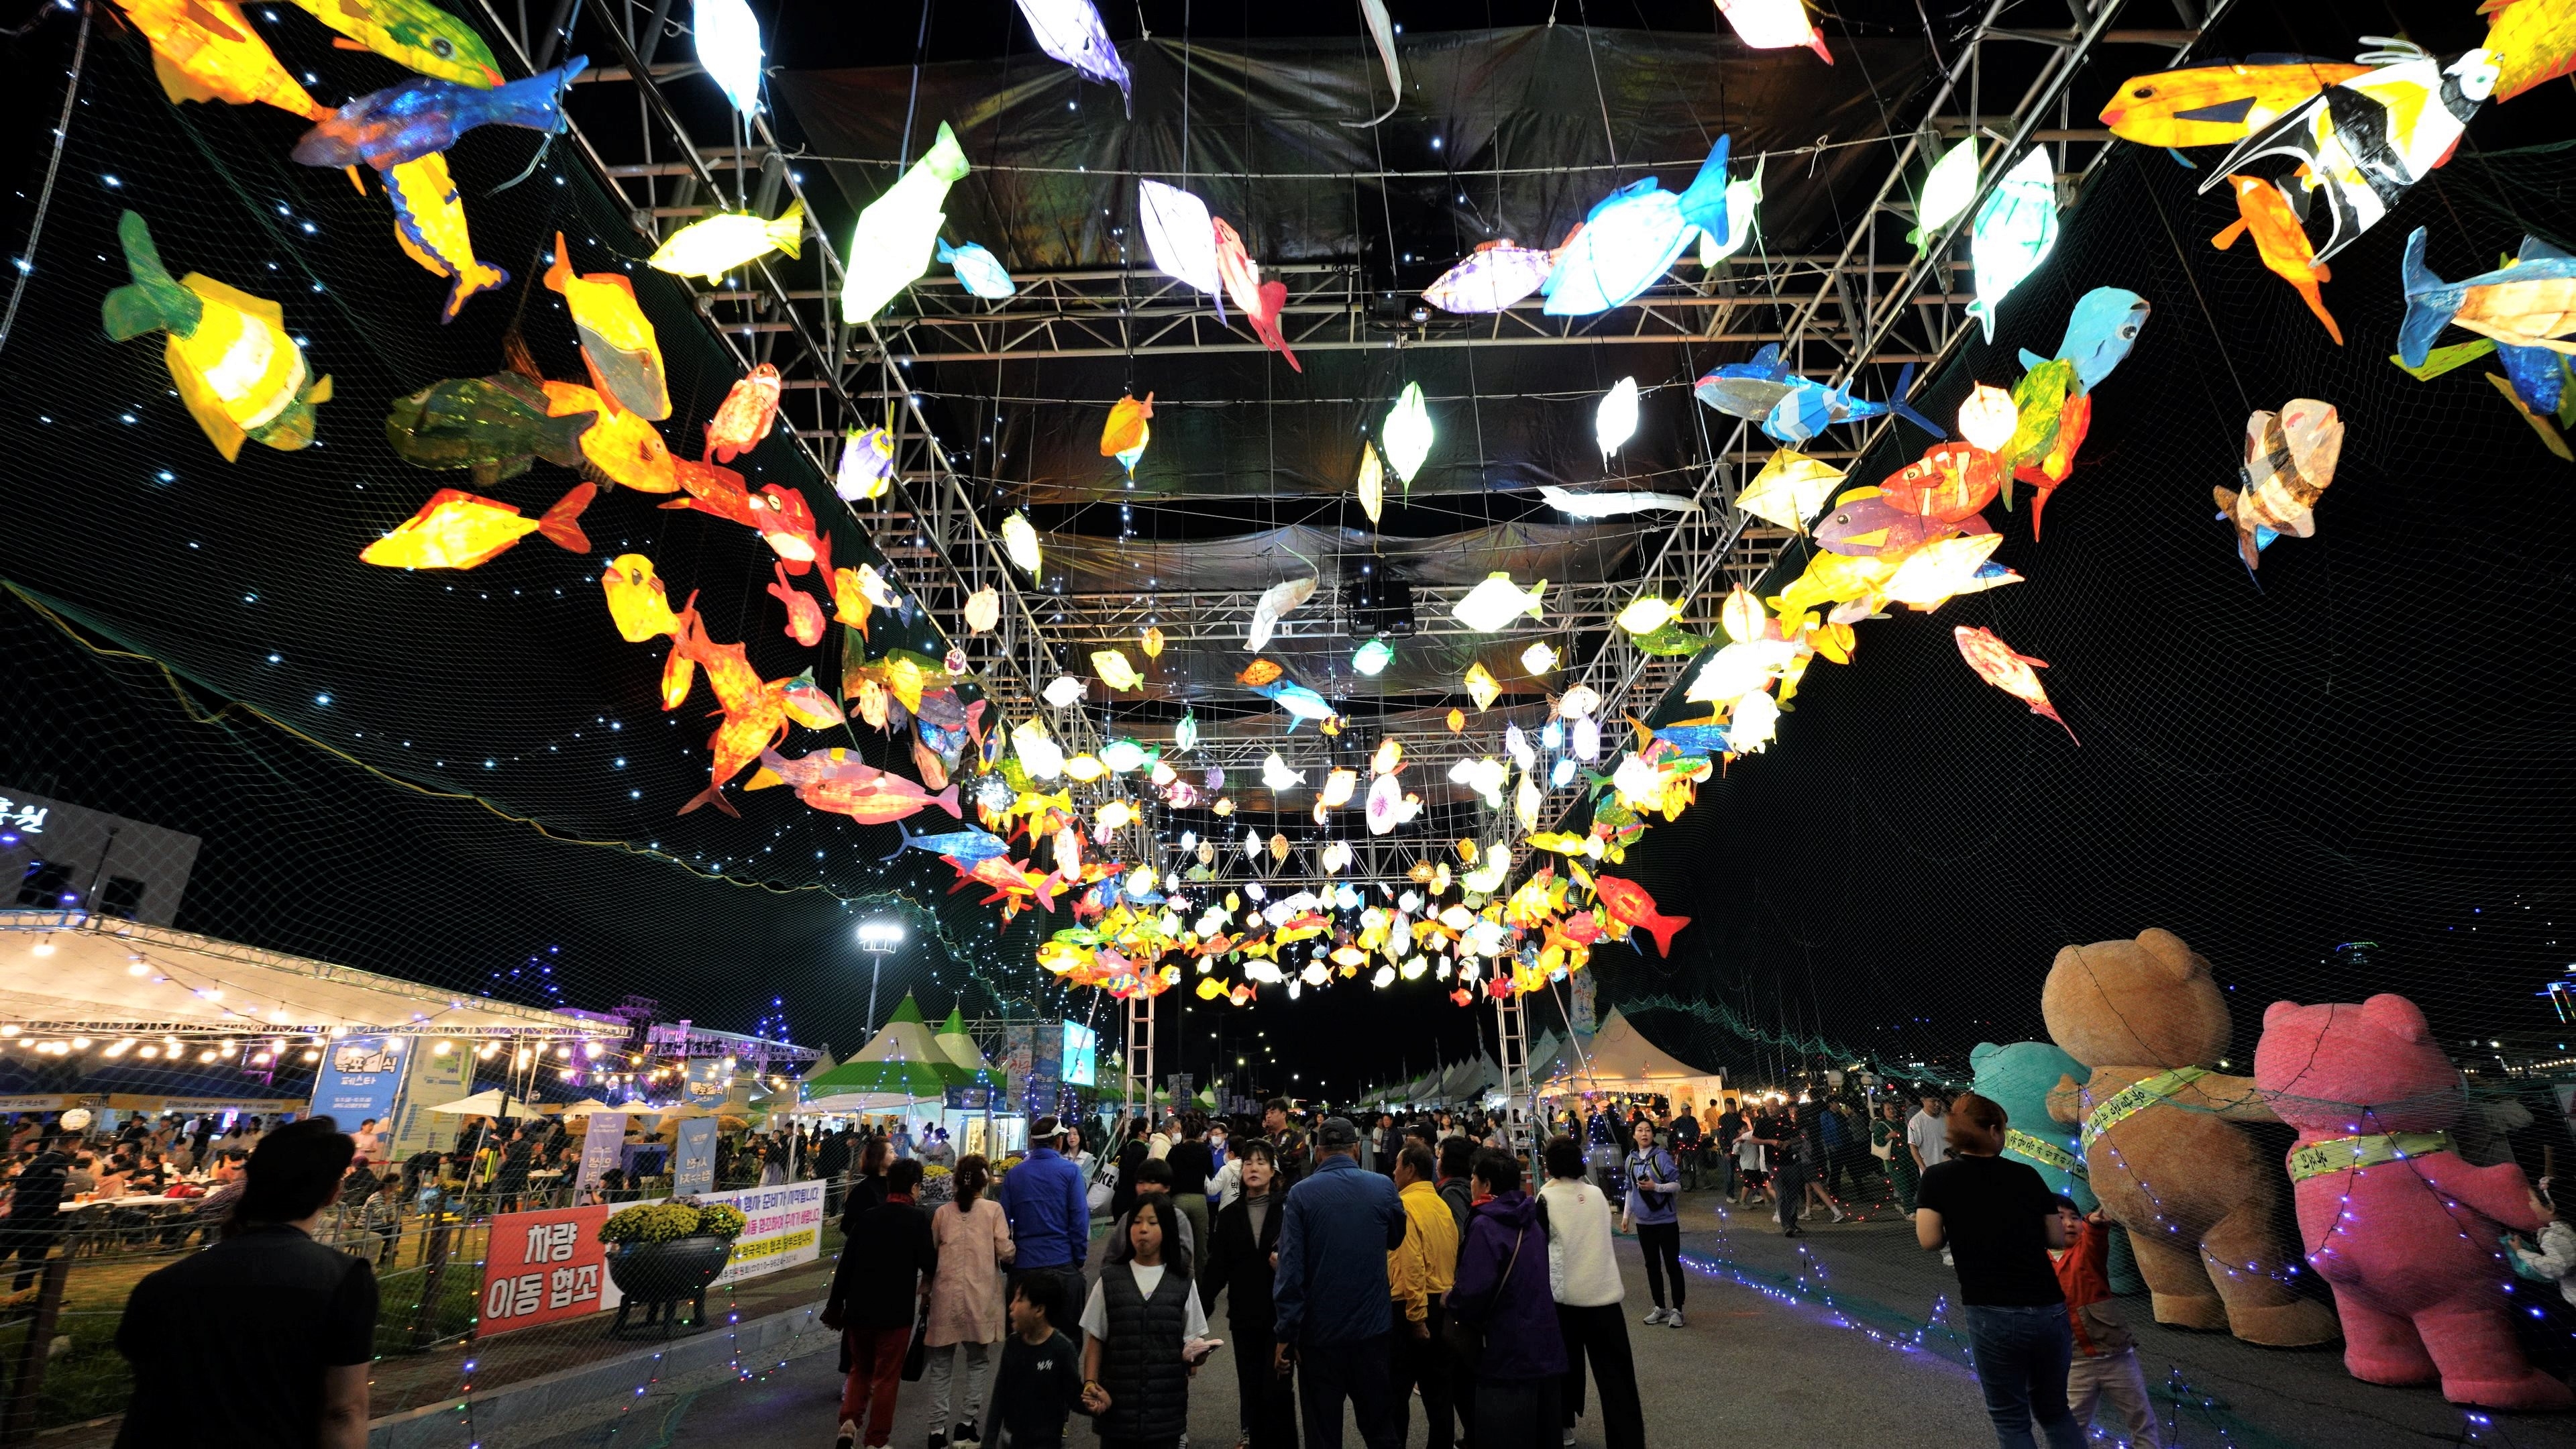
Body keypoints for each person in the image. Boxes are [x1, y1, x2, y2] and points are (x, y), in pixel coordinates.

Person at [111, 1119, 375, 1449]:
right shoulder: (343, 1278)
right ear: (333, 1193)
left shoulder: (163, 1283)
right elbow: (344, 1410)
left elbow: (143, 1371)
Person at [1915, 1091, 2080, 1449]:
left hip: (1990, 1310)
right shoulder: (2026, 1175)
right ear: (1992, 1130)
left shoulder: (1938, 1178)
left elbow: (1929, 1240)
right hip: (2047, 1307)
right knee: (2055, 1411)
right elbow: (2056, 1238)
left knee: (2010, 1418)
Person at [1273, 1116, 1408, 1449]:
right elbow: (1396, 1238)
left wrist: (1286, 1333)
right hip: (1372, 1331)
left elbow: (1290, 1271)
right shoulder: (1382, 1187)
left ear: (1318, 1153)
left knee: (1323, 1434)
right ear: (1356, 1150)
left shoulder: (1300, 1195)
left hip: (1318, 1336)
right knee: (1380, 1429)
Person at [1079, 1197, 1214, 1449]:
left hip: (1166, 1414)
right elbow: (1096, 1340)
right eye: (1137, 1222)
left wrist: (1196, 1358)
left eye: (1152, 1222)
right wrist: (1090, 1384)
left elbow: (1193, 1344)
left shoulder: (1183, 1282)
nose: (1143, 1229)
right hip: (1116, 1410)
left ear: (1167, 1230)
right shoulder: (1110, 1279)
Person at [1448, 1150, 1562, 1449]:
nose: (1471, 1183)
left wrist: (1451, 1300)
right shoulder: (1531, 1219)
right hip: (1542, 1340)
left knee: (1503, 1432)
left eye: (1474, 1177)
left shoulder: (1485, 1224)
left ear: (1486, 1184)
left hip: (1503, 1345)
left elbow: (1474, 1290)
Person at [824, 1159, 938, 1449]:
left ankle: (849, 1422)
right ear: (915, 1187)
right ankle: (876, 1440)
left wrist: (836, 1304)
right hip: (895, 1312)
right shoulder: (917, 1219)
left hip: (859, 1309)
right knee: (886, 1378)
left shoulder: (868, 1218)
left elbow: (846, 1266)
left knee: (860, 1369)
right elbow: (930, 1262)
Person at [1536, 1137, 1641, 1449]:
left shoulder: (1545, 1198)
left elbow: (1540, 1246)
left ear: (1550, 1166)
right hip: (1605, 1296)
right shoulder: (1596, 1195)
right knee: (1618, 1381)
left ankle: (1562, 1426)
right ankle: (1627, 1441)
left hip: (1564, 1299)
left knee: (1561, 1370)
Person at [1201, 1139, 1295, 1449]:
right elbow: (1217, 1268)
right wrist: (1199, 1313)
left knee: (1278, 1387)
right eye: (1248, 1163)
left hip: (1280, 1316)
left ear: (1273, 1171)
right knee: (1250, 1383)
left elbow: (1302, 1261)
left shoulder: (1288, 1211)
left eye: (1261, 1162)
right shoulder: (1230, 1215)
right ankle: (1251, 1435)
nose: (1254, 1168)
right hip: (1244, 1314)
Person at [2050, 1196, 2159, 1448]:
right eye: (2060, 1218)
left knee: (2141, 1417)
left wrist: (2093, 1222)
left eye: (2074, 1217)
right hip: (2074, 1361)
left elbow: (2094, 1239)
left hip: (2115, 1355)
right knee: (2072, 1423)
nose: (2069, 1223)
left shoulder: (2086, 1253)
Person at [924, 1155, 1014, 1449]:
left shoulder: (942, 1213)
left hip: (944, 1297)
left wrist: (925, 1291)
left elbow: (932, 1255)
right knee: (977, 1361)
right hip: (980, 1297)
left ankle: (937, 1431)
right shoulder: (993, 1211)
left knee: (941, 1365)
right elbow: (1006, 1251)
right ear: (984, 1181)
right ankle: (966, 1425)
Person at [1387, 1143, 1460, 1449]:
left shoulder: (1405, 1206)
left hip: (1411, 1307)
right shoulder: (1441, 1205)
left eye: (1397, 1165)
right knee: (1439, 1393)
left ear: (1410, 1169)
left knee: (1396, 1394)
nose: (1393, 1172)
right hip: (1442, 1303)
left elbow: (1411, 1266)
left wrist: (1416, 1319)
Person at [997, 1116, 1091, 1318]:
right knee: (1065, 1333)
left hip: (1023, 1266)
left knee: (1022, 1333)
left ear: (1032, 1143)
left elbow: (1002, 1223)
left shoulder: (1014, 1175)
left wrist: (1009, 1263)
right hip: (1062, 1263)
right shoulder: (1071, 1172)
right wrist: (1078, 1259)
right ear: (1059, 1141)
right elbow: (1079, 1221)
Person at [991, 1273, 1085, 1449]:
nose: (1011, 1306)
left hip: (1048, 1442)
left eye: (1019, 1300)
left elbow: (1074, 1396)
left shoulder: (1062, 1349)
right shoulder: (1012, 1345)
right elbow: (999, 1397)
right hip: (1012, 1441)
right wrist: (988, 1442)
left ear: (1039, 1310)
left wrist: (1097, 1405)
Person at [1618, 1120, 1684, 1328]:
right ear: (1634, 1135)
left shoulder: (1662, 1157)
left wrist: (1656, 1187)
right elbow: (1630, 1189)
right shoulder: (1630, 1160)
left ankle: (1678, 1310)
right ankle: (1660, 1307)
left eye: (1648, 1130)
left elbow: (1677, 1185)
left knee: (1672, 1264)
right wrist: (1626, 1216)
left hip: (1666, 1220)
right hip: (1643, 1222)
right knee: (1652, 1265)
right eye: (1640, 1130)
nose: (1644, 1134)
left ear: (1653, 1134)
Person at [1, 1132, 70, 1291]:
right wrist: (53, 1208)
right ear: (72, 1143)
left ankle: (20, 1293)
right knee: (31, 1260)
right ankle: (20, 1294)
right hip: (39, 1219)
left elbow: (21, 1183)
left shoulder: (39, 1160)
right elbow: (53, 1190)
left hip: (20, 1214)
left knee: (6, 1249)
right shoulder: (59, 1162)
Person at [1104, 1158, 1197, 1265]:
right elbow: (1111, 1255)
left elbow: (1185, 1259)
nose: (1145, 1188)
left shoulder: (1178, 1218)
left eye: (1152, 1182)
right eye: (1140, 1182)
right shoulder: (1127, 1217)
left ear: (1167, 1187)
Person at [1165, 1114, 1216, 1263]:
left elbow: (1167, 1172)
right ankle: (1200, 1277)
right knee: (1201, 1246)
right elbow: (1210, 1172)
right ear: (1200, 1133)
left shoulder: (1175, 1151)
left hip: (1178, 1200)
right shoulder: (1205, 1150)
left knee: (1177, 1243)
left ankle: (1179, 1275)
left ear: (1184, 1132)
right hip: (1199, 1200)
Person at [1875, 1099, 1921, 1217]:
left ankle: (1911, 1208)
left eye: (1893, 1108)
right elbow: (1878, 1142)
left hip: (1908, 1159)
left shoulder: (1901, 1124)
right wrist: (1888, 1137)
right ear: (1883, 1112)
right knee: (1904, 1186)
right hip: (1895, 1161)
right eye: (1888, 1109)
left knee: (1913, 1184)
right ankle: (1910, 1211)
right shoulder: (1882, 1126)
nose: (1892, 1110)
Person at [844, 1134, 896, 1235]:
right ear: (879, 1157)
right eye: (891, 1152)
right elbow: (848, 1225)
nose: (896, 1155)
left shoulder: (895, 1185)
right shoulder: (864, 1190)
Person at [1435, 1137, 1476, 1240]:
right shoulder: (1470, 1185)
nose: (1437, 1162)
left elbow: (1460, 1236)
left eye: (1440, 1157)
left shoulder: (1451, 1193)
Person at [1907, 1092, 1951, 1186]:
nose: (1937, 1104)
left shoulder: (1946, 1117)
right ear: (1923, 1100)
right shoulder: (1916, 1122)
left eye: (1939, 1101)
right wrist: (1925, 1170)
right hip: (1933, 1173)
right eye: (1933, 1101)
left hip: (1951, 1169)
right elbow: (1914, 1148)